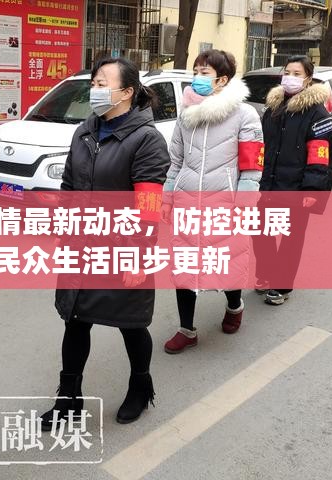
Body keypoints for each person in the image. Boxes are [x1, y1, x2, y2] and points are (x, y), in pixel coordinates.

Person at [40, 57, 170, 428]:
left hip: (123, 248)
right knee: (75, 322)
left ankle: (140, 387)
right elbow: (68, 187)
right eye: (94, 82)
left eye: (102, 83)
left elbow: (148, 208)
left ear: (126, 92)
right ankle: (68, 398)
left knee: (131, 323)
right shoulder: (84, 132)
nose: (95, 89)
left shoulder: (146, 140)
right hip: (80, 247)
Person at [161, 49, 264, 354]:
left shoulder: (245, 115)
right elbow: (175, 160)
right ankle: (186, 329)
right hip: (187, 203)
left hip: (226, 205)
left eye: (204, 73)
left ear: (222, 79)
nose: (197, 77)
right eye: (196, 71)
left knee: (228, 262)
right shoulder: (186, 114)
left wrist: (244, 204)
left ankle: (234, 305)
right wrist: (168, 197)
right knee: (184, 266)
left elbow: (252, 166)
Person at [254, 55, 332, 305]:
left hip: (297, 187)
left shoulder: (317, 113)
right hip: (268, 184)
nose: (290, 77)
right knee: (261, 233)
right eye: (287, 72)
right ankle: (266, 273)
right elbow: (262, 145)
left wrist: (312, 189)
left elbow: (321, 154)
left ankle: (281, 285)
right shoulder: (273, 108)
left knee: (291, 240)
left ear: (308, 78)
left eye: (297, 74)